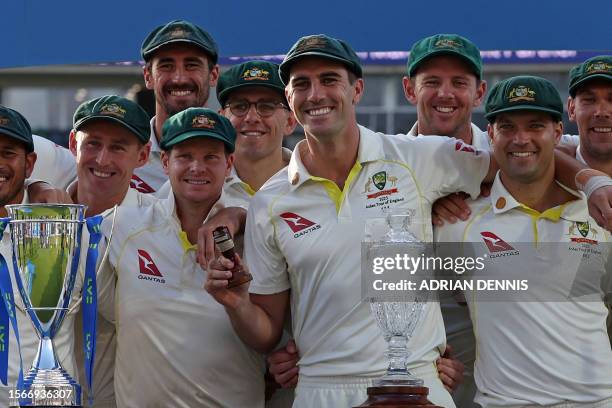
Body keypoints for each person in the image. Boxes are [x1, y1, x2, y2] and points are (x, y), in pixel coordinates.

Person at [436, 75, 612, 407]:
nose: (521, 139)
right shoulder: (457, 222)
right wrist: (428, 358)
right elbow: (396, 294)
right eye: (507, 127)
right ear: (490, 134)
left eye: (535, 126)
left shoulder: (598, 213)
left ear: (558, 133)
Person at [101, 108, 265, 407]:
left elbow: (274, 333)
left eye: (210, 157)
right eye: (185, 156)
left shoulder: (259, 231)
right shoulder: (121, 225)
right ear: (165, 162)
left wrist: (241, 217)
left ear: (229, 164)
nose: (197, 167)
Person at [68, 95, 154, 407]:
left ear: (143, 155)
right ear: (72, 144)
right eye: (92, 144)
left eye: (118, 147)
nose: (103, 159)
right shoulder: (42, 220)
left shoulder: (163, 221)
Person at [131, 19, 219, 195]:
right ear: (148, 76)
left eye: (191, 65)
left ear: (213, 75)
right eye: (166, 66)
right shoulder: (123, 159)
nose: (179, 78)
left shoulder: (234, 155)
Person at [567, 55, 612, 345]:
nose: (602, 112)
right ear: (571, 109)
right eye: (589, 100)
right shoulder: (544, 178)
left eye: (611, 99)